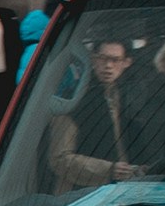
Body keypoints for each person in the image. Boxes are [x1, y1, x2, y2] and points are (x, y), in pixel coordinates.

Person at [43, 33, 158, 192]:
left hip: (124, 190)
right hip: (81, 195)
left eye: (115, 60)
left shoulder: (126, 96)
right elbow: (59, 158)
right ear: (93, 59)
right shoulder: (75, 99)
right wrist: (109, 170)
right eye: (103, 58)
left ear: (127, 62)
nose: (108, 66)